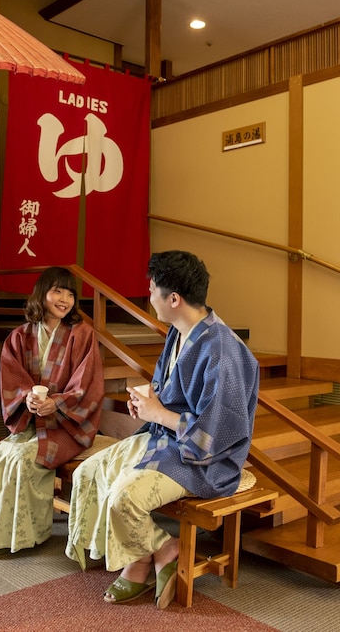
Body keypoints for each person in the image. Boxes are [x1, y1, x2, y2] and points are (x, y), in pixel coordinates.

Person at [64, 250, 260, 609]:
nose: (148, 296)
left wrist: (157, 412)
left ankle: (151, 556)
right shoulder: (179, 332)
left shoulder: (223, 351)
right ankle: (153, 551)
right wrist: (148, 402)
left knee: (125, 496)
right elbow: (168, 391)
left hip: (205, 458)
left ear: (174, 299)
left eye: (152, 289)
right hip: (167, 437)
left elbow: (215, 434)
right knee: (88, 472)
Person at [0, 266, 104, 558]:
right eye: (57, 291)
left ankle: (22, 536)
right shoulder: (21, 336)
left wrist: (55, 402)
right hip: (32, 419)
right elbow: (12, 380)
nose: (65, 299)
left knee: (23, 460)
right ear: (42, 294)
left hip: (68, 425)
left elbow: (88, 384)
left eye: (70, 293)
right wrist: (28, 400)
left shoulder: (81, 334)